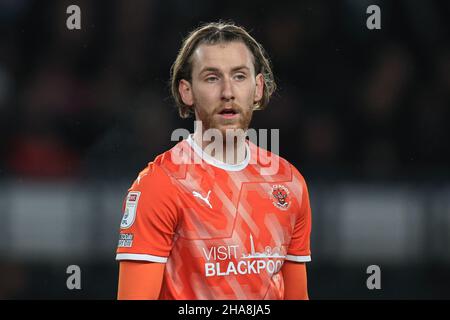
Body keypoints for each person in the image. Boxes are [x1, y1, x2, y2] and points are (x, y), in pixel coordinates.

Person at [116, 21, 312, 300]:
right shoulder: (159, 185)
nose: (228, 91)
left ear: (257, 88)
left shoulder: (290, 183)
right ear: (187, 91)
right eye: (212, 78)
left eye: (240, 76)